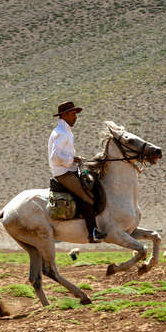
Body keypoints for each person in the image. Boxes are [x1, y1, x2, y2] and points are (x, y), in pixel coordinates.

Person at [48, 101, 107, 243]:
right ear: (65, 115)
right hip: (63, 173)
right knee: (87, 196)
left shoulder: (64, 131)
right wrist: (72, 159)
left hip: (69, 168)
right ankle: (92, 233)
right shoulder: (61, 133)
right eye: (73, 114)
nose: (76, 117)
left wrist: (74, 159)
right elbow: (55, 157)